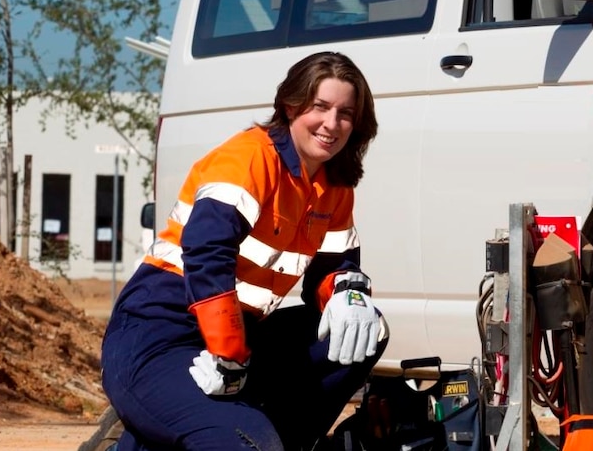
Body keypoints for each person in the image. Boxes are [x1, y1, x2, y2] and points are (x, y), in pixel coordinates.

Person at [100, 51, 388, 451]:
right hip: (161, 332)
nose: (331, 124)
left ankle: (267, 439)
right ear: (291, 105)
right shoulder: (249, 157)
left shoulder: (334, 185)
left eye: (345, 113)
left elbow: (334, 266)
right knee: (244, 443)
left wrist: (347, 293)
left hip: (242, 335)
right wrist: (228, 352)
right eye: (320, 107)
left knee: (363, 331)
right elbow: (206, 253)